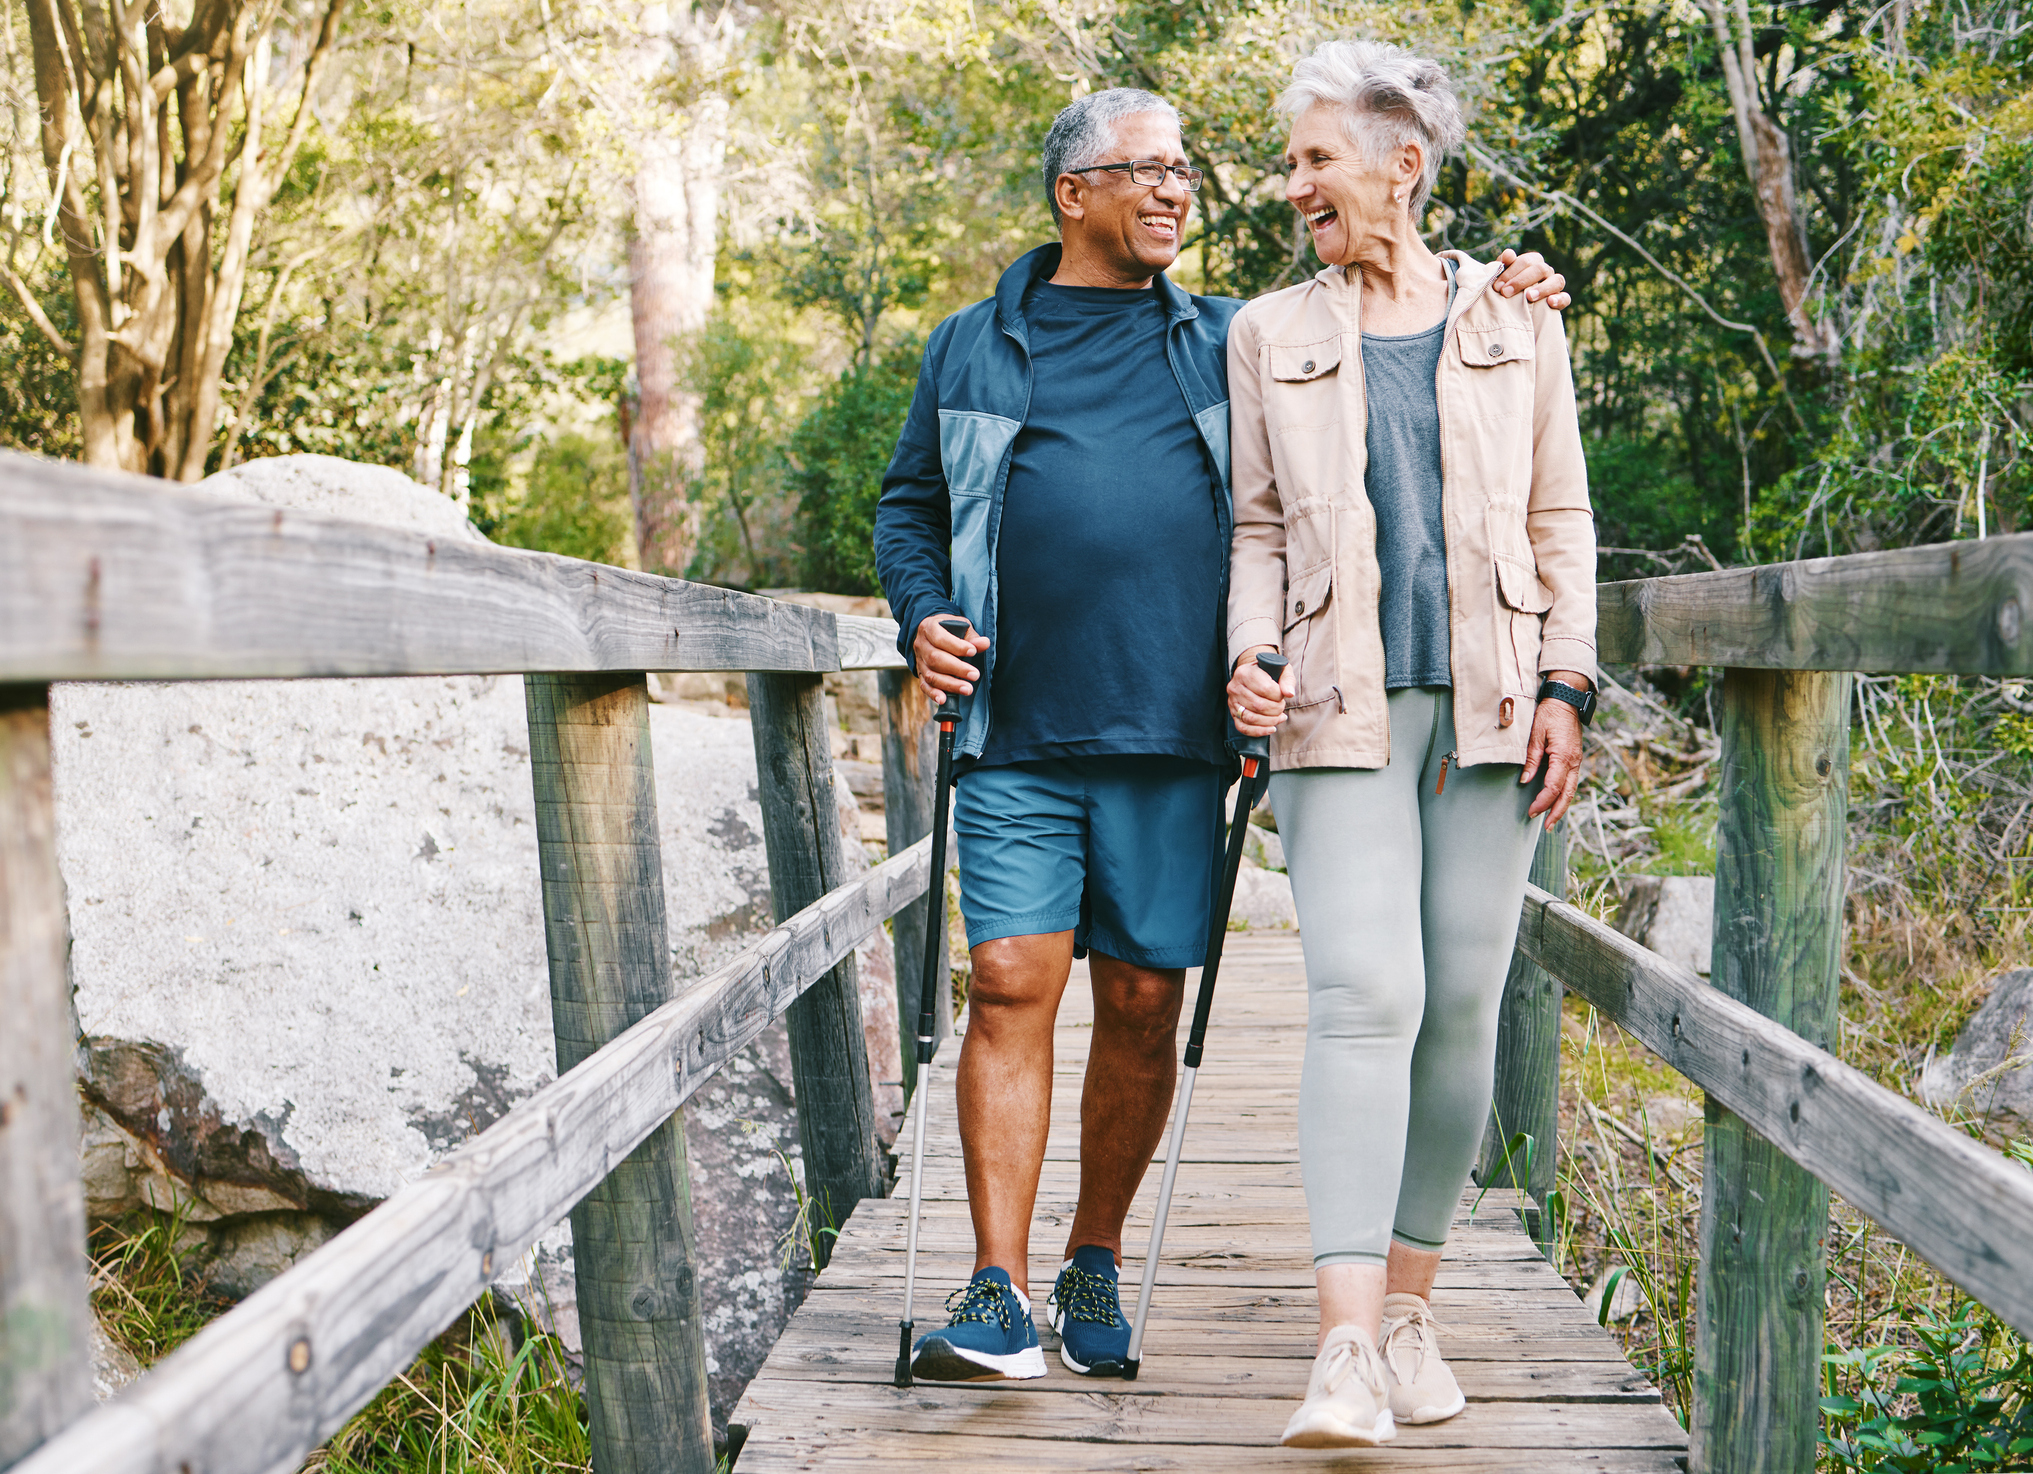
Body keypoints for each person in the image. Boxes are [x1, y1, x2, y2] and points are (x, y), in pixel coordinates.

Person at [873, 84, 1571, 1384]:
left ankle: (1092, 1254)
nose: (1175, 189)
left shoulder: (1230, 339)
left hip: (1176, 736)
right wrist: (921, 612)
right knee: (1010, 984)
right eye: (1142, 169)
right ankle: (995, 1291)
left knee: (1141, 1002)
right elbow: (908, 505)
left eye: (1183, 168)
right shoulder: (970, 345)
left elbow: (1374, 377)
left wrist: (1507, 288)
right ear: (1070, 192)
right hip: (1014, 725)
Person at [1223, 39, 1598, 1446]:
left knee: (1459, 1007)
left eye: (1316, 159)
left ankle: (1407, 1311)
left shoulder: (1518, 316)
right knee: (1362, 994)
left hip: (1499, 701)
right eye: (1295, 161)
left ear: (1403, 165)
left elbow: (1559, 515)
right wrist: (1243, 656)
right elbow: (1257, 525)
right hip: (1336, 701)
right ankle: (1336, 1352)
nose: (1295, 185)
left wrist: (1570, 678)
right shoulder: (1268, 330)